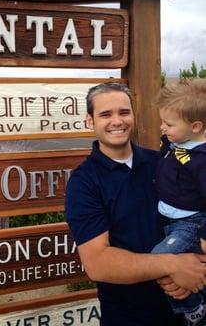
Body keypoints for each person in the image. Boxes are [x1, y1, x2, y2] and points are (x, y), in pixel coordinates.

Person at [65, 82, 206, 326]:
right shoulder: (83, 183)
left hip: (188, 309)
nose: (117, 121)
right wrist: (173, 265)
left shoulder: (162, 161)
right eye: (105, 114)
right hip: (131, 318)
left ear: (133, 114)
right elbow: (97, 263)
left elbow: (197, 214)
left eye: (123, 112)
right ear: (90, 121)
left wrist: (196, 269)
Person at [151, 79, 206, 326]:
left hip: (190, 223)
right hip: (168, 219)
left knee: (158, 259)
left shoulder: (202, 159)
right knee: (174, 267)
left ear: (196, 126)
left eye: (169, 124)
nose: (162, 127)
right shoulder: (174, 143)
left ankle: (195, 309)